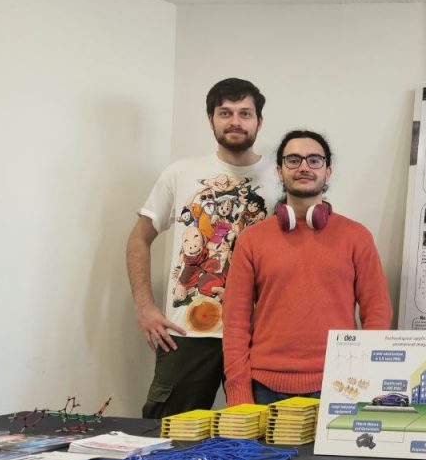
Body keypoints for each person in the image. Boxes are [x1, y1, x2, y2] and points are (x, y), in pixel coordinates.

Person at [127, 78, 280, 418]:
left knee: (263, 437)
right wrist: (144, 306)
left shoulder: (280, 177)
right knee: (168, 432)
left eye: (245, 113)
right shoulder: (180, 173)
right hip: (188, 332)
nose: (235, 121)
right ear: (211, 119)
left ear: (259, 121)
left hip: (261, 334)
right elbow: (139, 238)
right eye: (225, 112)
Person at [222, 129, 393, 406]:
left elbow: (378, 312)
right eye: (293, 160)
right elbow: (235, 323)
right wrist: (239, 391)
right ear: (279, 171)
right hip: (264, 389)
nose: (304, 167)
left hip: (340, 386)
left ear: (328, 171)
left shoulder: (356, 236)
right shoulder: (251, 240)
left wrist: (366, 377)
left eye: (314, 160)